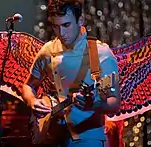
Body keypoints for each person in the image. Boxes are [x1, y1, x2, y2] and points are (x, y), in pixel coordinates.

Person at [22, 0, 120, 146]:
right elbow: (28, 86)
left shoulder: (101, 52)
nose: (61, 33)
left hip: (88, 137)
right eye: (56, 26)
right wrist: (33, 101)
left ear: (80, 20)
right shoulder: (47, 50)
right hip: (52, 135)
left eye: (66, 25)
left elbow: (115, 103)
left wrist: (94, 104)